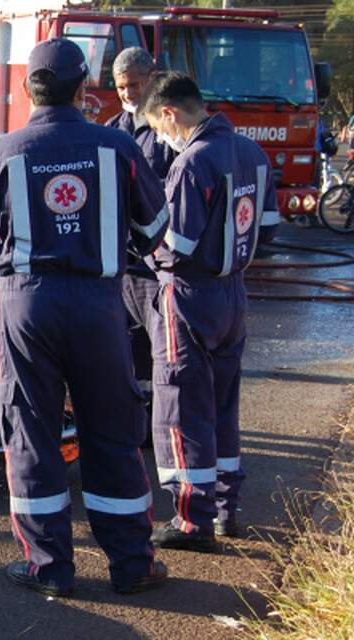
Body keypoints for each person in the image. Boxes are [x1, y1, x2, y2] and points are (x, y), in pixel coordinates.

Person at [0, 39, 171, 596]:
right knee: (112, 432)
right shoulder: (117, 146)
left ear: (27, 91)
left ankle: (49, 568)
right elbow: (155, 228)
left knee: (31, 433)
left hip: (26, 307)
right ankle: (132, 565)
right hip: (99, 304)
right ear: (84, 89)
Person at [139, 72, 279, 550]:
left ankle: (190, 520)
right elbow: (271, 229)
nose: (162, 139)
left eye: (159, 129)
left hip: (189, 296)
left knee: (181, 406)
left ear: (170, 114)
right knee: (222, 406)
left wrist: (139, 253)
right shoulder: (252, 154)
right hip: (233, 295)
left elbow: (173, 246)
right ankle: (225, 509)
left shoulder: (193, 163)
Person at [105, 47, 176, 413]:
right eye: (121, 87)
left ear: (152, 78)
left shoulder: (169, 129)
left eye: (135, 84)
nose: (128, 93)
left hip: (155, 265)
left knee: (163, 348)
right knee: (128, 348)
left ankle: (162, 419)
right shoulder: (111, 131)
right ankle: (139, 415)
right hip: (121, 265)